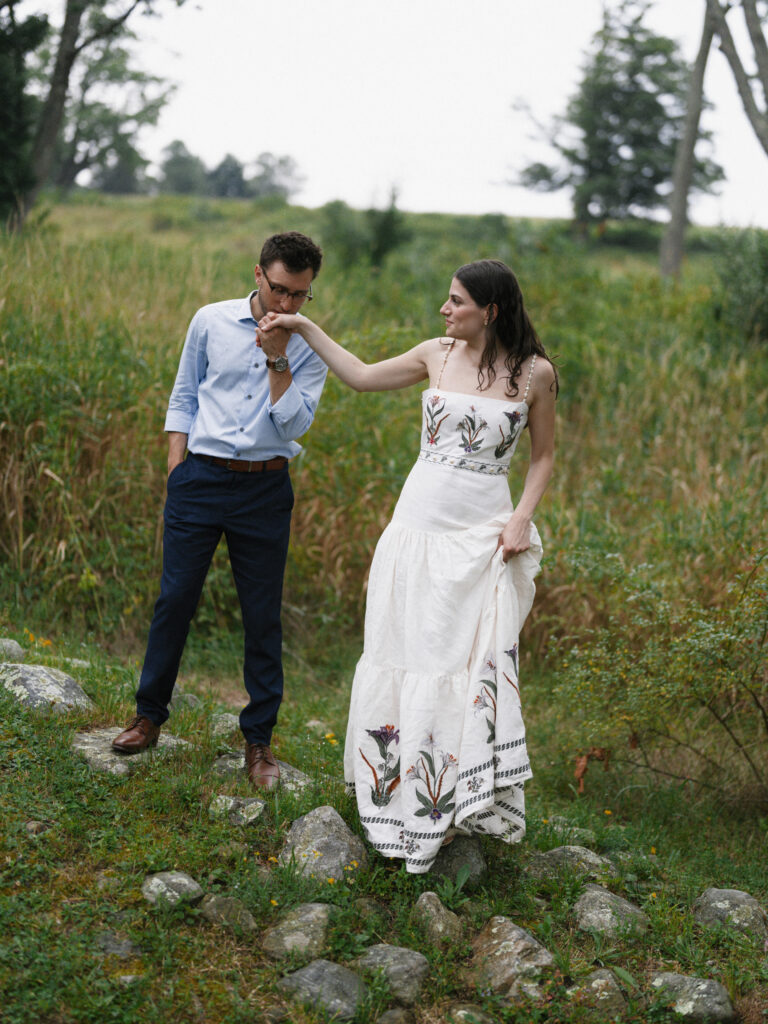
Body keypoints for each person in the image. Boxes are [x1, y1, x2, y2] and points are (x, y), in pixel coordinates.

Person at [259, 257, 557, 871]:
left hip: (481, 535)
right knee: (407, 652)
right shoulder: (436, 353)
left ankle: (453, 801)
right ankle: (394, 794)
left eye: (456, 302)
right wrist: (303, 327)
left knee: (463, 662)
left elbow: (543, 457)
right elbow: (363, 376)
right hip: (417, 527)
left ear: (490, 310)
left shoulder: (535, 375)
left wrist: (521, 517)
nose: (445, 310)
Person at [112, 231, 327, 791]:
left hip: (265, 487)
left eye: (299, 295)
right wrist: (176, 469)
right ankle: (147, 717)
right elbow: (184, 394)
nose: (286, 304)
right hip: (200, 478)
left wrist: (278, 357)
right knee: (175, 598)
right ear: (258, 275)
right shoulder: (209, 320)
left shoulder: (310, 344)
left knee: (262, 616)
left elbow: (296, 425)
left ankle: (259, 743)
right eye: (279, 289)